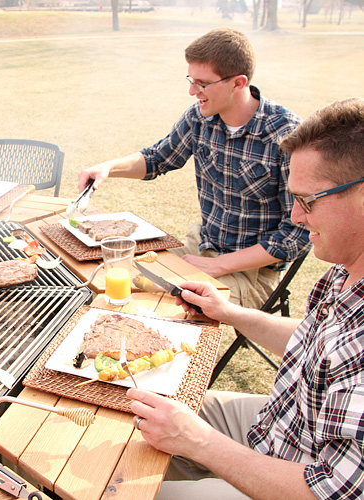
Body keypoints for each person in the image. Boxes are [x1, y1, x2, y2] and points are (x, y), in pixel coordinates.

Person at [127, 97, 364, 500]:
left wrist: (199, 442)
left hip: (304, 481)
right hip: (285, 423)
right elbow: (315, 341)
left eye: (307, 201)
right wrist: (231, 312)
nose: (294, 216)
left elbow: (332, 493)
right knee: (150, 412)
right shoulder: (345, 267)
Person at [78, 27, 311, 309]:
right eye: (191, 80)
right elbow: (157, 158)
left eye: (201, 84)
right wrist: (106, 168)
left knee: (168, 305)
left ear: (238, 83)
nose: (192, 91)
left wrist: (219, 266)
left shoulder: (287, 135)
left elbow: (297, 234)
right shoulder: (200, 118)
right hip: (200, 245)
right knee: (115, 278)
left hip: (252, 271)